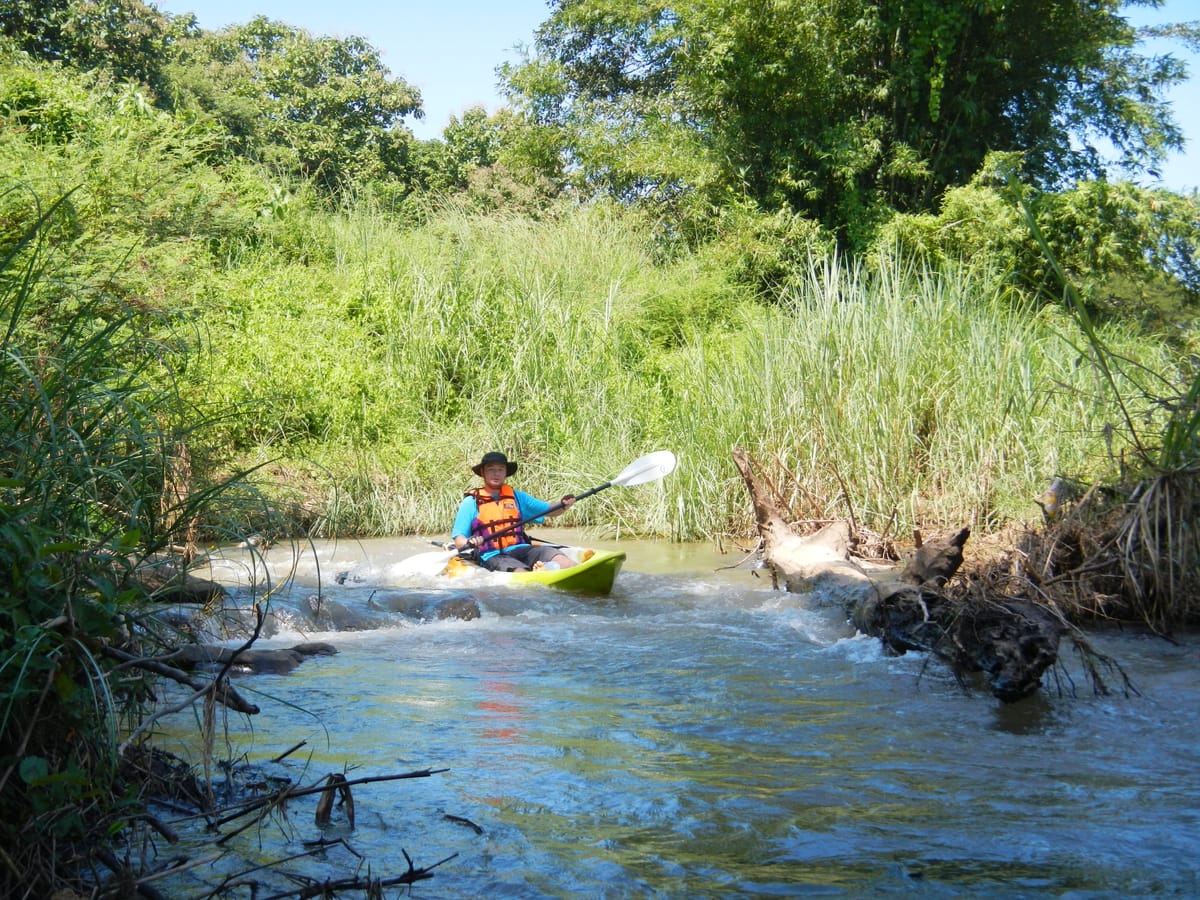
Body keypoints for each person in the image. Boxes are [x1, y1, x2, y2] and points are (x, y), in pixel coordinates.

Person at [451, 452, 577, 572]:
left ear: (506, 473)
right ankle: (534, 573)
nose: (496, 473)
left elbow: (549, 510)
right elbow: (459, 539)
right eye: (491, 469)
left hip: (522, 549)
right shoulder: (471, 502)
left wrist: (563, 505)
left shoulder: (517, 497)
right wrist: (470, 542)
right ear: (483, 472)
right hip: (493, 555)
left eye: (500, 469)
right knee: (520, 571)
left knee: (564, 562)